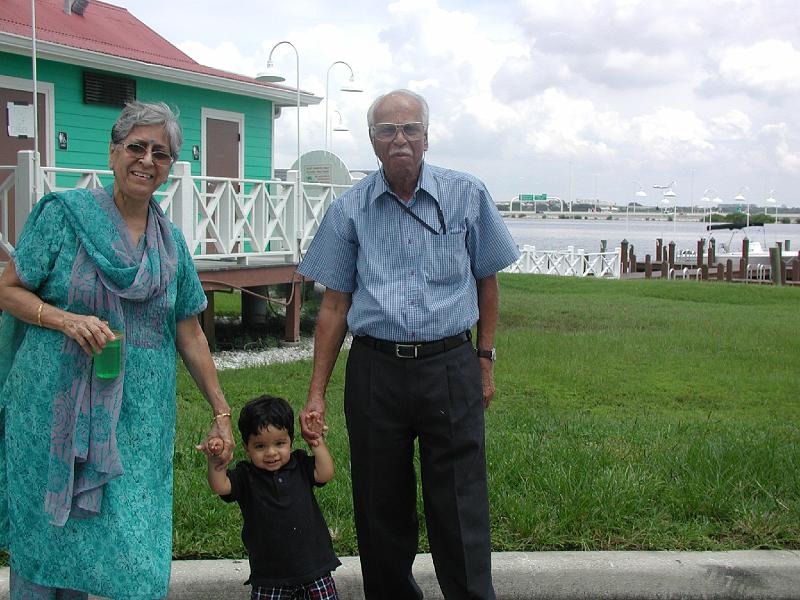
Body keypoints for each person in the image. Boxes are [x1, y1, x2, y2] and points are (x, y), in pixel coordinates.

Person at [0, 100, 234, 599]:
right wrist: (65, 320)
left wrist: (220, 408)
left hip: (136, 421)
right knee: (47, 535)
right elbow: (9, 289)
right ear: (112, 153)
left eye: (161, 152)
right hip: (52, 409)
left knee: (127, 536)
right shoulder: (64, 216)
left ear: (170, 166)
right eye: (136, 147)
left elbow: (188, 330)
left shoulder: (170, 243)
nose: (147, 160)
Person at [296, 89, 520, 600]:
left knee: (460, 505)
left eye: (409, 129)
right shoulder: (349, 209)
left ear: (426, 136)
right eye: (387, 131)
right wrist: (316, 393)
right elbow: (333, 307)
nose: (399, 139)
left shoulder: (468, 195)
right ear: (372, 141)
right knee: (380, 508)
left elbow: (488, 280)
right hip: (375, 371)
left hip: (449, 365)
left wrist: (483, 362)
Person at [198, 395, 340, 600]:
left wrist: (317, 443)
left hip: (314, 568)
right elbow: (220, 486)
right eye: (260, 446)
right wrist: (215, 461)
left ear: (291, 440)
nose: (271, 453)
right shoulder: (246, 476)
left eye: (280, 443)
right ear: (246, 448)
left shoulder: (299, 464)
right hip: (270, 576)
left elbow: (325, 473)